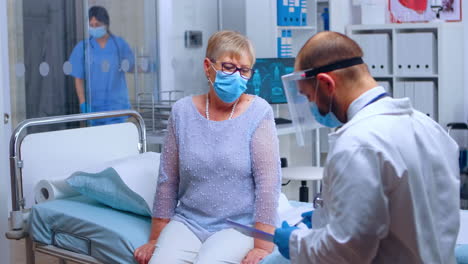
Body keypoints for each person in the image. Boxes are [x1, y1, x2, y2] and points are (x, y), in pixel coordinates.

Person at [273, 31, 460, 263]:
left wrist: (294, 244)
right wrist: (327, 218)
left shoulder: (357, 144)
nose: (312, 105)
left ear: (326, 83)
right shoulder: (430, 128)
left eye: (309, 96)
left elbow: (345, 254)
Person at [134, 31, 281, 264]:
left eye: (244, 70)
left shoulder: (259, 112)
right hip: (189, 222)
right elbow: (168, 181)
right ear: (207, 66)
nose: (237, 76)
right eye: (229, 67)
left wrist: (263, 246)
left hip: (239, 226)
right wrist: (155, 239)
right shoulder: (182, 112)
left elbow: (268, 184)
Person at [69, 6, 134, 125]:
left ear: (106, 24)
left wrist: (148, 67)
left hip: (118, 107)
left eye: (97, 24)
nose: (94, 28)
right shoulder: (83, 48)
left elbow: (131, 67)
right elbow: (78, 78)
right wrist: (83, 104)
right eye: (91, 25)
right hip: (94, 107)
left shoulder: (119, 44)